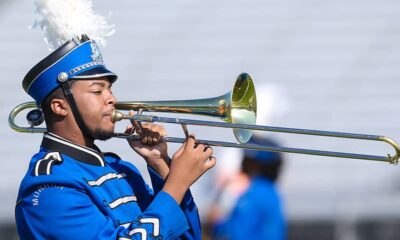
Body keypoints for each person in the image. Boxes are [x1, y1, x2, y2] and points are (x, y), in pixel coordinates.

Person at [15, 33, 216, 239]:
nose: (112, 99)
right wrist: (177, 183)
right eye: (97, 91)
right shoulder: (49, 188)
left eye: (109, 89)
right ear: (59, 106)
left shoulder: (121, 169)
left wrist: (161, 165)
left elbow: (187, 237)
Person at [208, 135, 286, 240]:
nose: (243, 161)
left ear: (255, 164)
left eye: (247, 158)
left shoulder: (255, 194)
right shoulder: (270, 191)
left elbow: (234, 235)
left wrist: (217, 222)